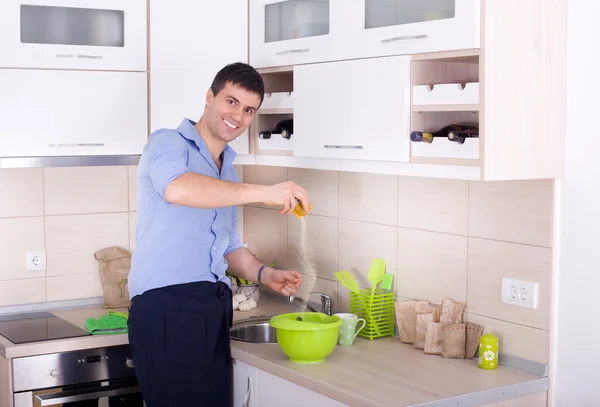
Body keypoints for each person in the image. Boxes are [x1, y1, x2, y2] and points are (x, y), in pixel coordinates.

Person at [127, 62, 310, 407]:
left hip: (211, 308)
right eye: (231, 102)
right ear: (209, 97)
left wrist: (266, 274)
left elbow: (229, 246)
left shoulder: (228, 168)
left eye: (248, 110)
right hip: (167, 307)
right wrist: (264, 192)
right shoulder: (167, 143)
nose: (237, 116)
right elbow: (177, 190)